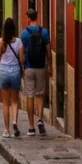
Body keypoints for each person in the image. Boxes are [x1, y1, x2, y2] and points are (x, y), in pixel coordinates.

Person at [20, 8, 52, 136]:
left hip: (29, 67)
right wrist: (50, 65)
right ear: (37, 17)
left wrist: (22, 65)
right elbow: (48, 51)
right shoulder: (44, 32)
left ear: (28, 18)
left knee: (29, 96)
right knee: (39, 95)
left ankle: (31, 127)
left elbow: (21, 52)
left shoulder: (24, 34)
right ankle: (40, 119)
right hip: (40, 67)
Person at [0, 17, 24, 138]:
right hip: (15, 72)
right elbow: (22, 60)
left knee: (5, 103)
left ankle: (7, 130)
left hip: (4, 71)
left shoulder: (1, 42)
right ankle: (15, 122)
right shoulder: (19, 42)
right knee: (15, 101)